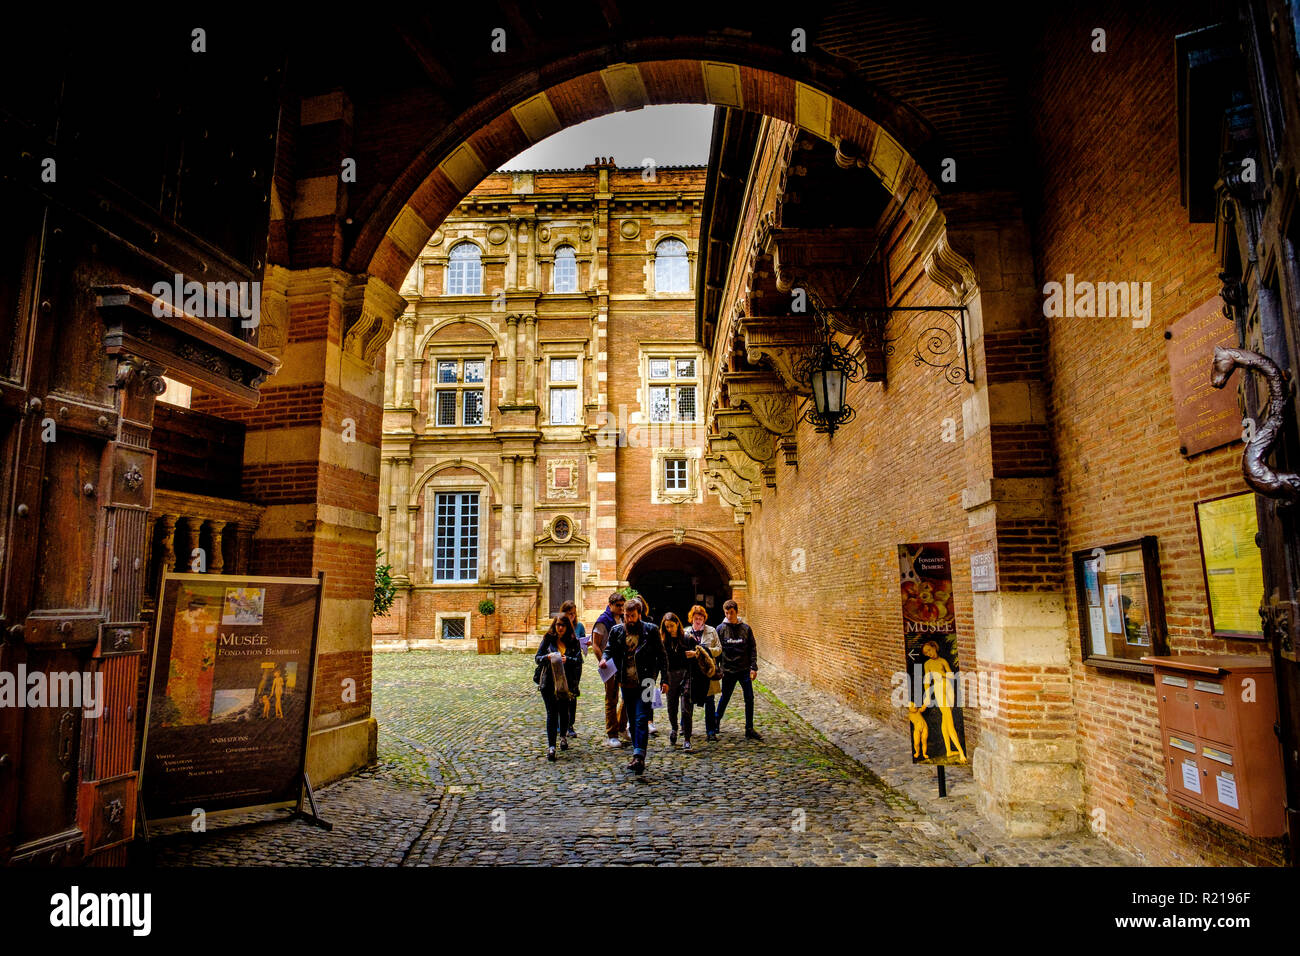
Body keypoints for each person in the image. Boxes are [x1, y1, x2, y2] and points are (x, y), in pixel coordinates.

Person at [602, 597, 667, 775]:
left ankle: (639, 755)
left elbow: (662, 656)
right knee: (632, 717)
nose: (629, 619)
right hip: (626, 681)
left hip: (647, 681)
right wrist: (604, 659)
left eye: (632, 616)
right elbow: (608, 649)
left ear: (639, 614)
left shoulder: (651, 630)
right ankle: (638, 753)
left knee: (642, 717)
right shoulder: (617, 631)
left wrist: (664, 679)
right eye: (626, 616)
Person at [534, 613, 583, 761]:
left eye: (563, 625)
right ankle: (551, 747)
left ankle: (562, 736)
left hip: (566, 683)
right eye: (558, 625)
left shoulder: (574, 642)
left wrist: (567, 659)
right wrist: (547, 658)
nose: (560, 628)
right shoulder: (548, 639)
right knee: (551, 713)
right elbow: (537, 658)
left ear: (567, 627)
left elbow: (579, 660)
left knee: (564, 711)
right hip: (549, 681)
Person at [714, 599, 762, 740]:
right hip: (728, 670)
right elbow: (718, 650)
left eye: (731, 613)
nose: (729, 616)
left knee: (749, 698)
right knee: (725, 697)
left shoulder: (746, 629)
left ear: (736, 612)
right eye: (727, 613)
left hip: (744, 669)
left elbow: (752, 648)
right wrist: (717, 668)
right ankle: (716, 721)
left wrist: (753, 667)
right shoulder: (720, 629)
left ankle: (749, 728)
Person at [590, 592, 628, 747]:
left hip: (623, 663)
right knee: (611, 698)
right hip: (609, 663)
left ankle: (621, 726)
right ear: (610, 604)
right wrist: (603, 661)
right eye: (618, 605)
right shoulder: (602, 621)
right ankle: (612, 733)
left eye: (622, 606)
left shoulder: (624, 619)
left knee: (627, 696)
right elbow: (595, 644)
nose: (620, 608)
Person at [659, 612, 697, 750]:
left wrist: (695, 653)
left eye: (672, 626)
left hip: (686, 674)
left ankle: (687, 738)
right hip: (670, 676)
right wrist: (663, 680)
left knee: (686, 707)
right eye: (667, 627)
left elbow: (699, 655)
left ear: (677, 624)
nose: (670, 629)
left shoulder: (688, 639)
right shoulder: (663, 642)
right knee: (671, 707)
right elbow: (662, 663)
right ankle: (674, 728)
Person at [686, 605, 722, 741]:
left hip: (708, 671)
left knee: (710, 701)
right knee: (689, 700)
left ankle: (711, 731)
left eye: (701, 618)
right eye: (696, 618)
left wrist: (706, 651)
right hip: (693, 672)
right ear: (692, 619)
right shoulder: (686, 632)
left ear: (704, 619)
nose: (698, 621)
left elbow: (719, 649)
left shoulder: (711, 631)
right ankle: (685, 727)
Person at [560, 600, 585, 737]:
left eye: (574, 614)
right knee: (560, 693)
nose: (572, 617)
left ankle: (570, 724)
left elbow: (583, 643)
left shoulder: (579, 626)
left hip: (575, 665)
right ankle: (560, 724)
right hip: (562, 664)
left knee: (572, 694)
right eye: (570, 614)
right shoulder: (559, 626)